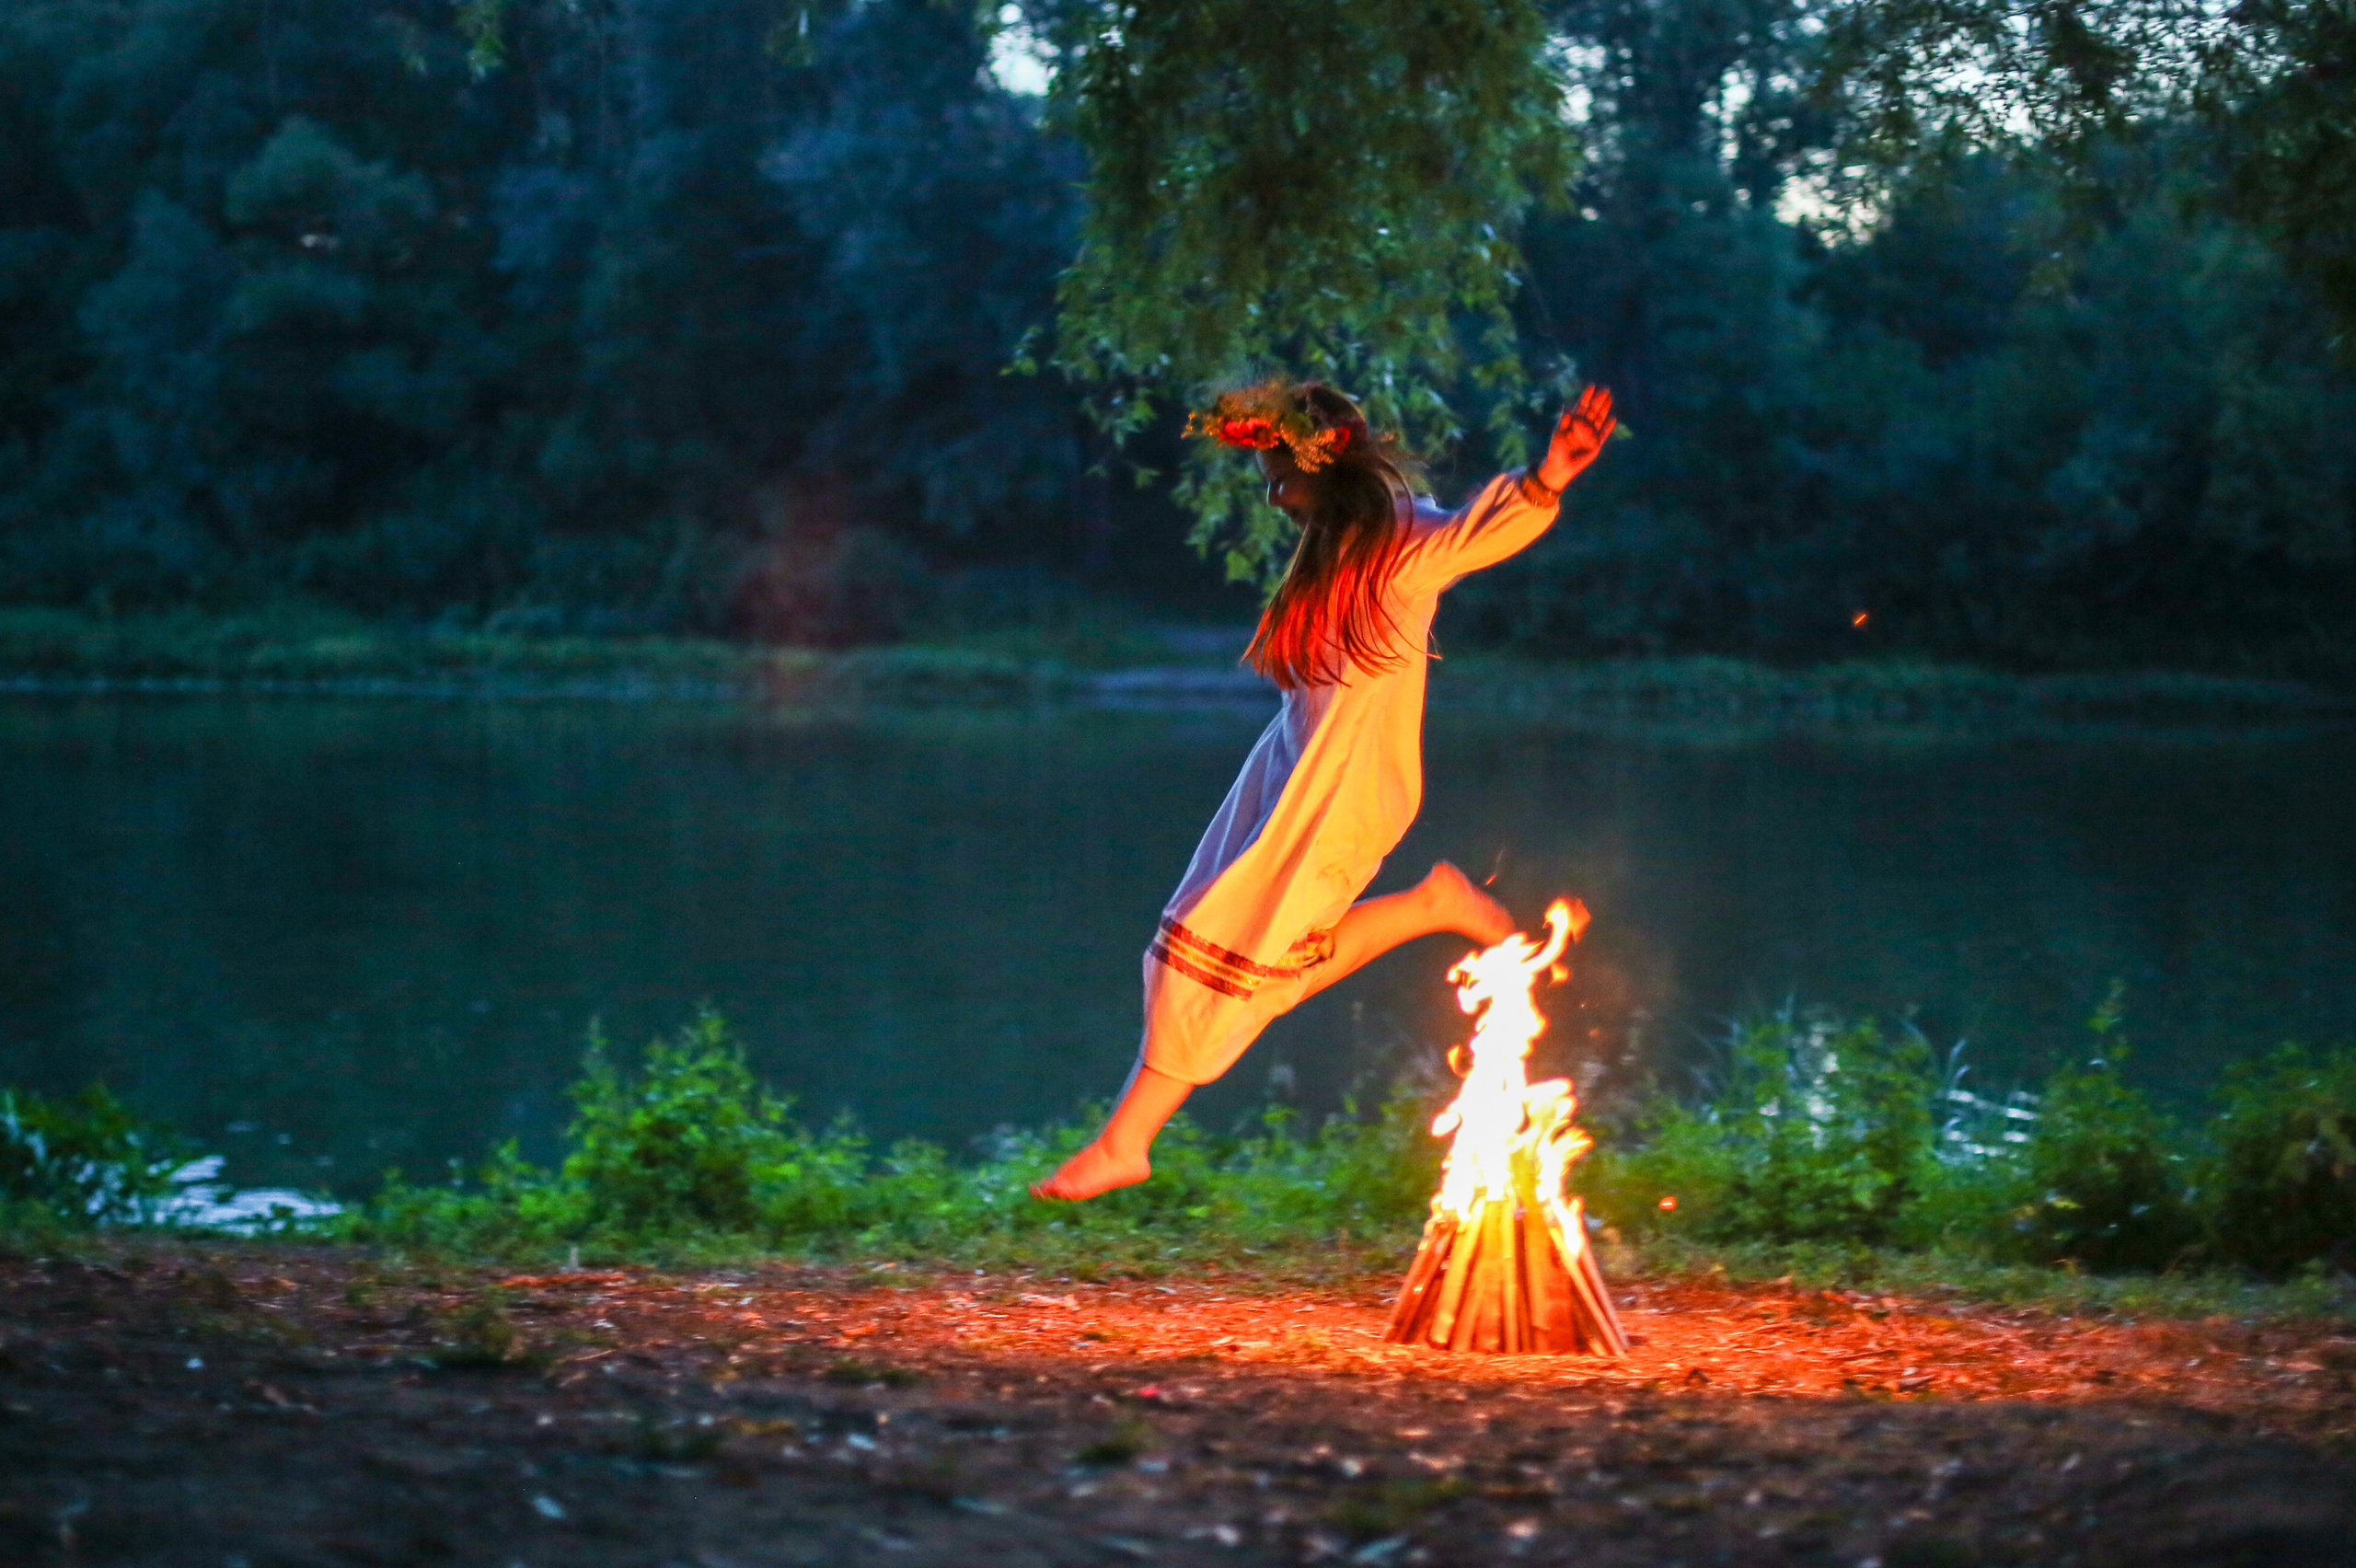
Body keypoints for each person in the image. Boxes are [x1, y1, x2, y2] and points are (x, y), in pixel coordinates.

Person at [1032, 381, 1618, 1201]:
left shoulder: (1401, 544)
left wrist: (1547, 478)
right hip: (1294, 769)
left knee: (1222, 956)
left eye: (1278, 474)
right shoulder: (1336, 544)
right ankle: (1429, 906)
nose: (1271, 494)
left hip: (1345, 789)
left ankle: (1127, 1142)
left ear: (1322, 469)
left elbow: (1475, 535)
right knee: (1240, 960)